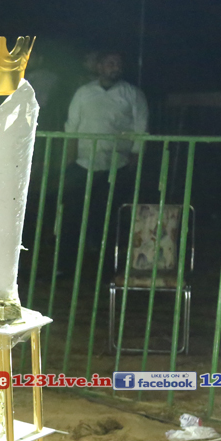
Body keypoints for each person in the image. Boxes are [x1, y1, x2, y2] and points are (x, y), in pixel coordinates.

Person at [59, 51, 149, 276]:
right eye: (110, 63)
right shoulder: (84, 92)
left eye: (118, 63)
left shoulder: (132, 94)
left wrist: (135, 158)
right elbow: (72, 127)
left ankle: (106, 269)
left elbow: (141, 128)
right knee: (72, 217)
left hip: (116, 164)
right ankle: (65, 266)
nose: (115, 67)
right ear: (99, 67)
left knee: (108, 220)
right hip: (82, 163)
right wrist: (69, 161)